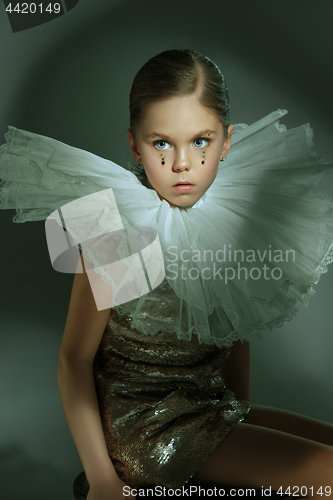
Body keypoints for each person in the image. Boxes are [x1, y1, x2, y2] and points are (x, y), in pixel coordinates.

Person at [0, 49, 333, 500]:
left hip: (211, 409)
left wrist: (238, 412)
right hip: (147, 432)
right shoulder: (113, 224)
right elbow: (73, 361)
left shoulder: (234, 218)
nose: (182, 164)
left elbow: (235, 323)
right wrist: (102, 480)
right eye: (162, 143)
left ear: (227, 141)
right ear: (135, 145)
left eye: (201, 141)